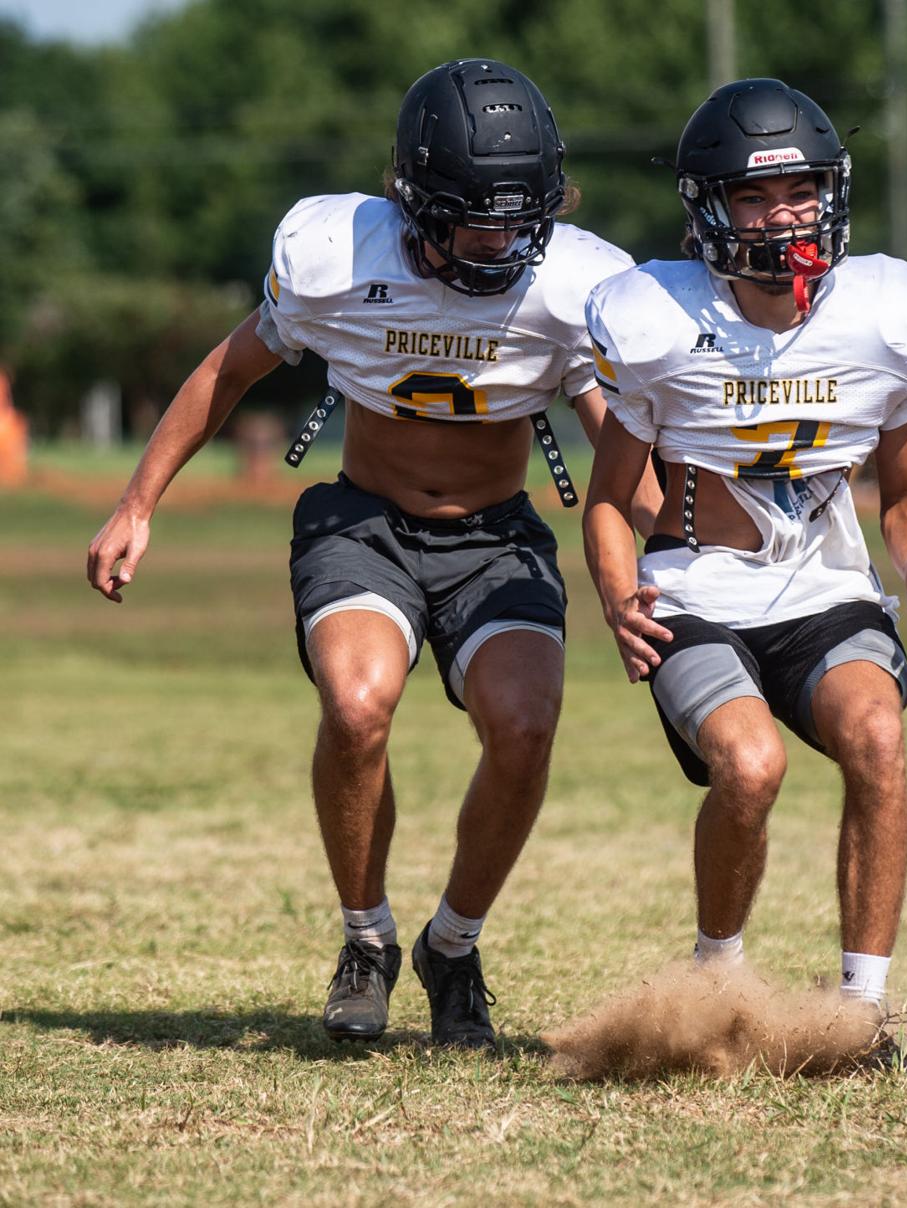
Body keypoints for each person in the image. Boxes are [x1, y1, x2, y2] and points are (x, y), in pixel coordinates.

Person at [87, 59, 656, 1050]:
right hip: (367, 525)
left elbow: (624, 450)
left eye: (517, 218)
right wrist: (138, 501)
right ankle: (366, 936)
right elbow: (228, 370)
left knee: (524, 726)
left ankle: (453, 944)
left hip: (496, 536)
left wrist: (684, 552)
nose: (496, 241)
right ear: (414, 200)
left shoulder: (578, 288)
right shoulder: (336, 257)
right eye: (472, 216)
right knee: (357, 705)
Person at [583, 78, 907, 1061]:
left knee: (878, 736)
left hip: (825, 591)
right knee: (750, 767)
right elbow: (613, 501)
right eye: (755, 196)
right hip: (698, 594)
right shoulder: (657, 319)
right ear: (710, 207)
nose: (782, 212)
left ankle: (862, 1013)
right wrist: (618, 593)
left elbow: (906, 490)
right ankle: (716, 979)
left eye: (799, 189)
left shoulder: (890, 317)